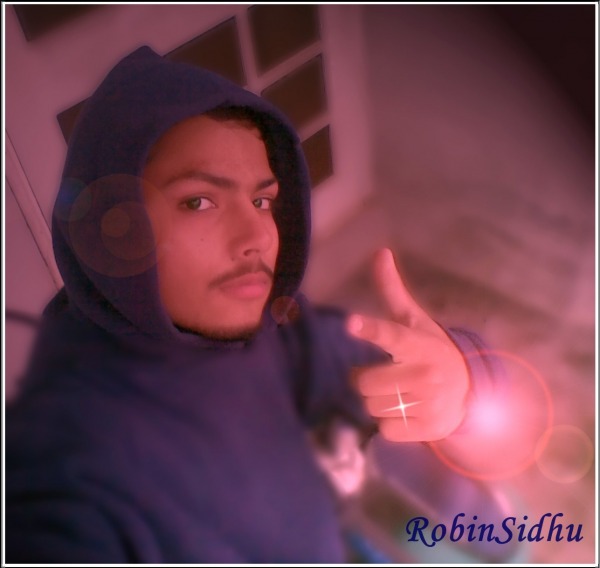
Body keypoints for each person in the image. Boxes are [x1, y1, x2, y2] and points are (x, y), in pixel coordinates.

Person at [6, 46, 520, 563]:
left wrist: (463, 385)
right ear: (110, 230)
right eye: (199, 201)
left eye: (262, 200)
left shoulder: (279, 330)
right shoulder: (69, 466)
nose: (257, 237)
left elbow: (416, 394)